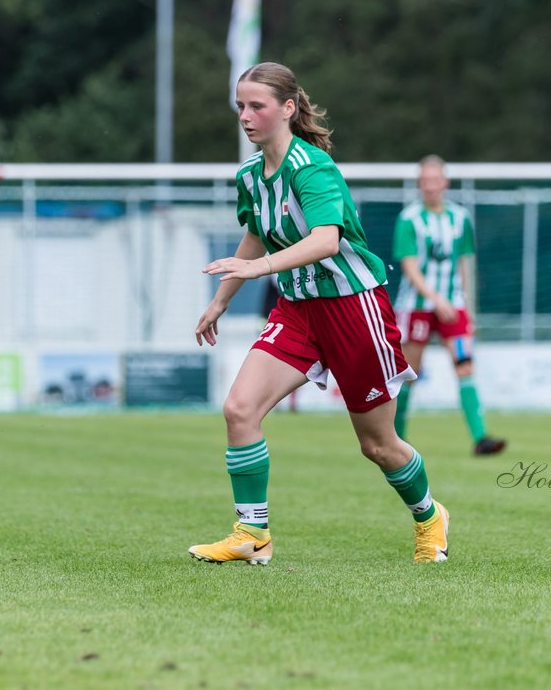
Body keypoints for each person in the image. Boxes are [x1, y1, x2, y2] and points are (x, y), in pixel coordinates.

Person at [190, 62, 449, 564]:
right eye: (240, 106)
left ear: (287, 109)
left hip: (354, 310)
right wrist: (221, 300)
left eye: (256, 106)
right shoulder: (249, 175)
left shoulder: (312, 168)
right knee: (239, 410)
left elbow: (326, 240)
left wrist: (261, 267)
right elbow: (259, 231)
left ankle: (429, 515)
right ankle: (252, 535)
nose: (245, 116)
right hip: (299, 311)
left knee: (377, 445)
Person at [392, 155, 506, 455]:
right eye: (425, 181)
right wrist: (434, 299)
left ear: (445, 182)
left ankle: (480, 438)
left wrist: (468, 307)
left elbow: (466, 263)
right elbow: (410, 266)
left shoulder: (459, 218)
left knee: (464, 366)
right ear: (420, 184)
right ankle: (395, 440)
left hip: (453, 308)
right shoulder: (409, 219)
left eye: (435, 180)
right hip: (417, 308)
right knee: (409, 372)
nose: (430, 186)